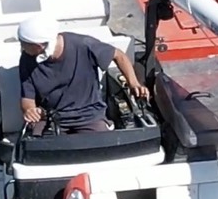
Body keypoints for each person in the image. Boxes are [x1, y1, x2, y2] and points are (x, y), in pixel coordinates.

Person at [16, 15, 148, 135]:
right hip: (51, 118)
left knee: (102, 147)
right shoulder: (27, 60)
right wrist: (30, 110)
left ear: (39, 46)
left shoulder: (84, 45)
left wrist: (134, 83)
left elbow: (118, 55)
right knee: (37, 148)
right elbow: (27, 98)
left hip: (89, 116)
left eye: (23, 44)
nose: (22, 48)